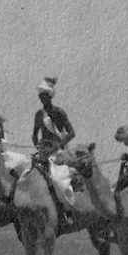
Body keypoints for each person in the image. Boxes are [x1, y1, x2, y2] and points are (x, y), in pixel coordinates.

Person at [31, 77, 77, 224]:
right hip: (43, 153)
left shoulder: (59, 113)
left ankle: (66, 211)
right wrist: (38, 147)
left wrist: (58, 145)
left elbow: (71, 133)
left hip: (57, 153)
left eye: (44, 96)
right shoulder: (39, 115)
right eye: (40, 96)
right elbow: (34, 135)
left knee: (58, 180)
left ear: (49, 96)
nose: (42, 99)